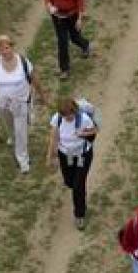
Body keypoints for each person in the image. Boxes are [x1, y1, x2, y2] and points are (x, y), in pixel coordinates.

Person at [0, 34, 48, 174]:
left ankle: (23, 160)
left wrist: (42, 95)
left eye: (7, 47)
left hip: (21, 103)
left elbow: (34, 79)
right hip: (3, 104)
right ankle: (13, 138)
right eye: (1, 49)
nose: (5, 51)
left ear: (12, 46)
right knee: (10, 128)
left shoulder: (23, 62)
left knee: (21, 131)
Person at [46, 97, 98, 229]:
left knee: (77, 185)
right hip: (67, 155)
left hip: (82, 155)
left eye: (70, 115)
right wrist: (50, 157)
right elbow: (53, 138)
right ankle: (80, 191)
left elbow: (94, 131)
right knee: (69, 182)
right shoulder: (57, 119)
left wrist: (83, 133)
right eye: (65, 116)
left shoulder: (84, 118)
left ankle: (79, 215)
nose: (68, 118)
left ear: (75, 111)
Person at [43, 0, 91, 78]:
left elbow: (80, 0)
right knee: (62, 42)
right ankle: (64, 69)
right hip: (58, 17)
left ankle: (85, 45)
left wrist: (80, 18)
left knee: (74, 37)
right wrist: (49, 6)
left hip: (72, 15)